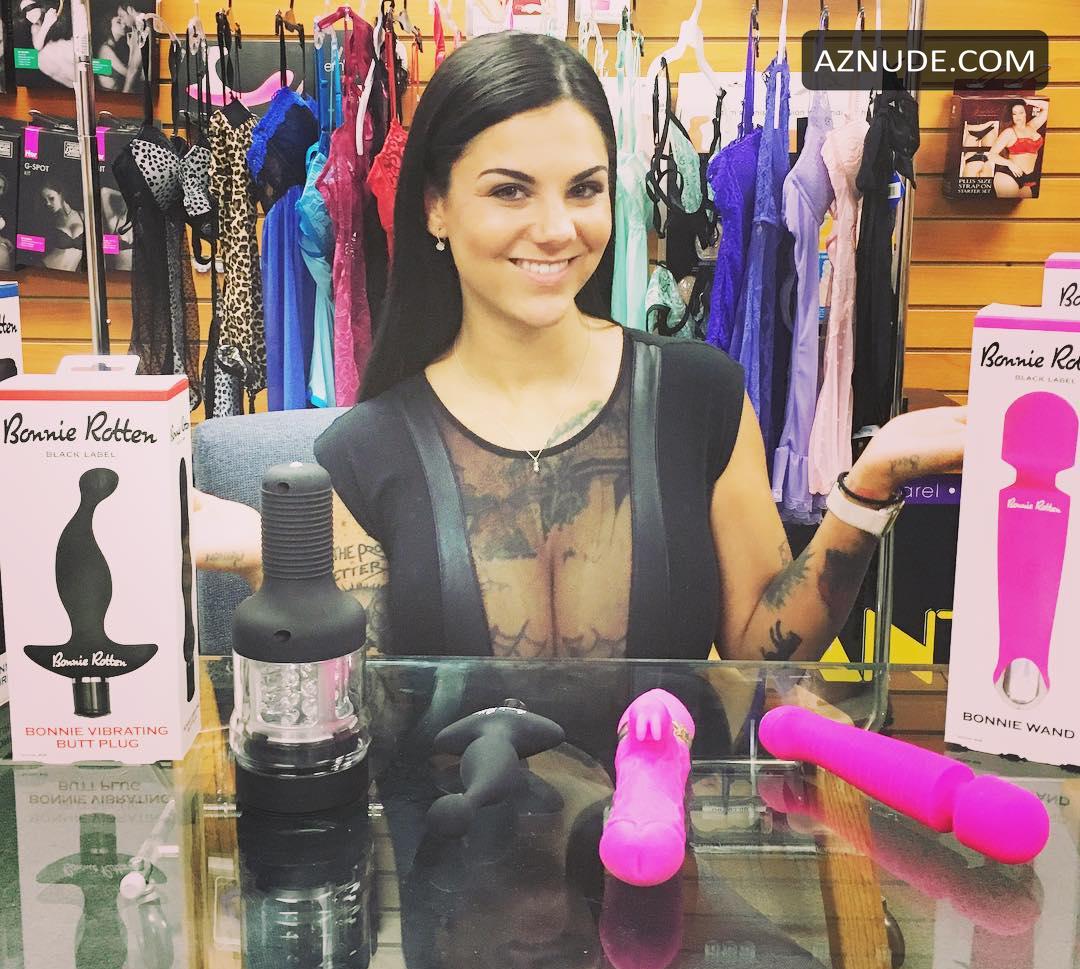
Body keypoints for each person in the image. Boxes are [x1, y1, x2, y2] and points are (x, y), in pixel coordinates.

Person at [194, 32, 965, 663]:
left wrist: (867, 488)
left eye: (585, 189)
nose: (558, 228)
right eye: (510, 190)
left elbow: (761, 648)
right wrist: (277, 563)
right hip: (456, 811)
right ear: (435, 207)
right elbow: (370, 706)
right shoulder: (365, 450)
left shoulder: (699, 398)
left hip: (661, 807)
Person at [988, 98, 1048, 199]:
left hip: (1027, 178)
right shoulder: (1009, 132)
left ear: (1025, 113)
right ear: (1011, 116)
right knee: (1007, 207)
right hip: (1008, 175)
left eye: (1021, 112)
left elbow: (1047, 107)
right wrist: (1010, 164)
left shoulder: (1032, 126)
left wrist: (1025, 101)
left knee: (1025, 208)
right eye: (1014, 114)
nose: (1018, 116)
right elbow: (991, 155)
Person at [95, 5, 141, 94]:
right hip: (109, 96)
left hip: (113, 94)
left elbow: (130, 71)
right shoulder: (105, 50)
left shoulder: (112, 47)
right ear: (109, 25)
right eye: (119, 22)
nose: (124, 25)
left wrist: (131, 47)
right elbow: (129, 73)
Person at [40, 184, 84, 271]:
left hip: (70, 273)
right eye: (45, 200)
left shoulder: (82, 216)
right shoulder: (51, 220)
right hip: (46, 268)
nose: (48, 203)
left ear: (62, 194)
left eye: (51, 198)